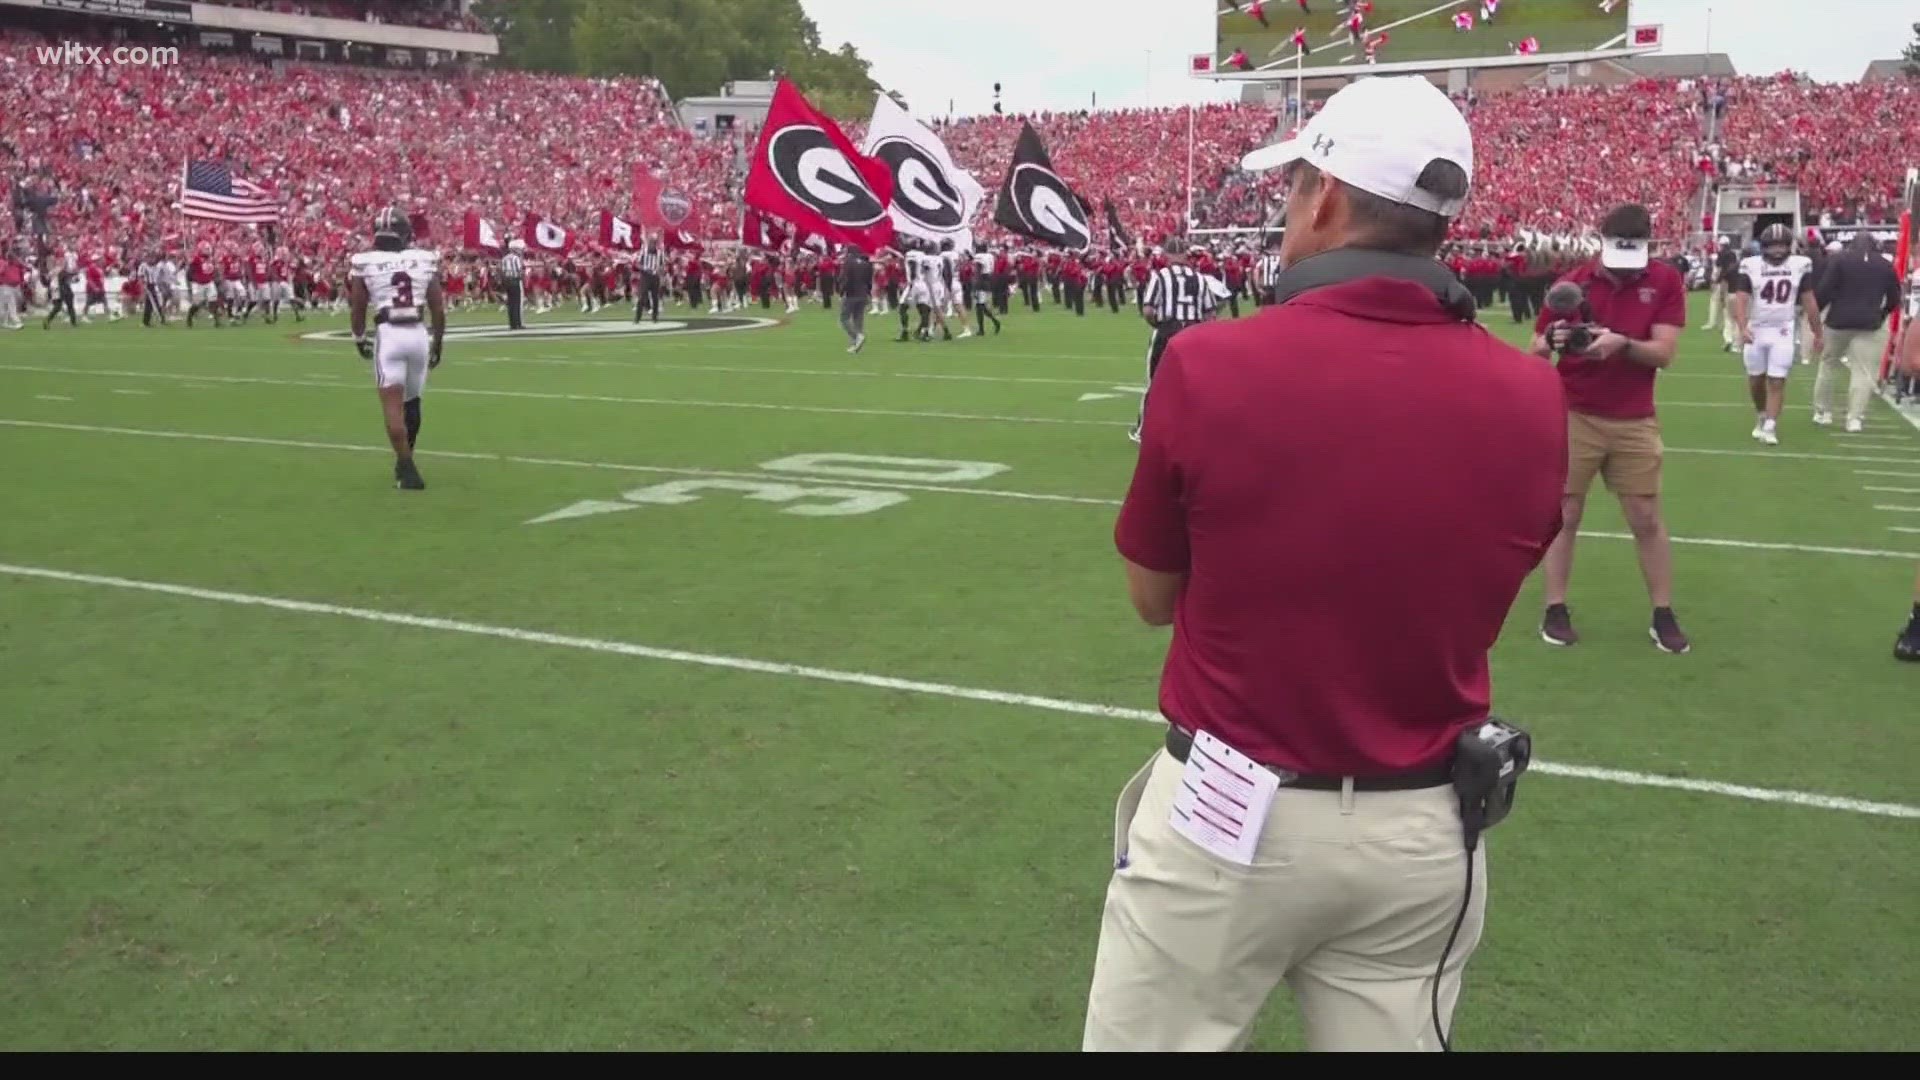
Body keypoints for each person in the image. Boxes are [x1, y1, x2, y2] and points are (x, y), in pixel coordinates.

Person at [1082, 76, 1567, 1053]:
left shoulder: (1210, 365)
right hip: (1424, 828)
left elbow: (1149, 595)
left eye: (1297, 182)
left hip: (1229, 813)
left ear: (1330, 199)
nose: (1286, 205)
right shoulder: (1532, 397)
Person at [1532, 203, 1691, 654]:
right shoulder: (1573, 284)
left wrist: (1621, 344)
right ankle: (1555, 607)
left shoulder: (1663, 280)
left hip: (1635, 415)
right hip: (1575, 410)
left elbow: (1663, 353)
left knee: (1645, 516)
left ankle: (1662, 612)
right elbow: (1536, 351)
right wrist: (1555, 339)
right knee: (1565, 513)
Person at [349, 207, 445, 491]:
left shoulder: (364, 261)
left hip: (388, 334)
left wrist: (358, 337)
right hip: (417, 334)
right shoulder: (423, 258)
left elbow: (357, 307)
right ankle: (407, 459)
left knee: (392, 406)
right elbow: (438, 309)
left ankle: (406, 466)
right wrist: (438, 341)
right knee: (412, 401)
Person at [1729, 223, 1819, 446]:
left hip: (1783, 329)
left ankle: (1770, 425)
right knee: (1756, 380)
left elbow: (1809, 299)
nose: (1778, 251)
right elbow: (1741, 298)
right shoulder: (1750, 265)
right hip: (1757, 327)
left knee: (1777, 380)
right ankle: (1761, 414)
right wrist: (1742, 327)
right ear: (1764, 246)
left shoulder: (1800, 265)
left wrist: (1818, 331)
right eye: (1773, 246)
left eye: (1782, 246)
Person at [1810, 231, 1902, 433]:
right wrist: (1882, 313)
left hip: (1838, 320)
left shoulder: (1839, 260)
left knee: (1827, 365)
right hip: (1870, 322)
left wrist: (1816, 319)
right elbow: (1895, 297)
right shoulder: (1885, 265)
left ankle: (1822, 412)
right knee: (1864, 371)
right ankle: (1854, 418)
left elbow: (1824, 291)